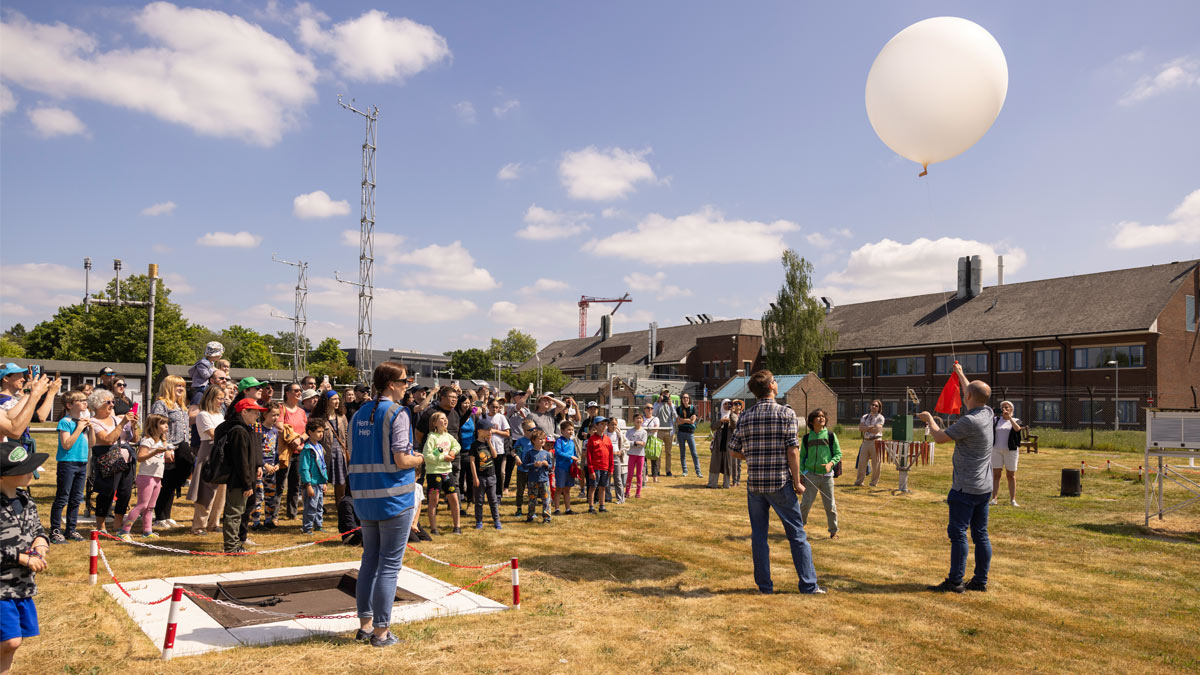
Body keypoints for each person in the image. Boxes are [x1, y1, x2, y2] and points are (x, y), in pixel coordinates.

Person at [727, 370, 824, 595]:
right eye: (775, 381)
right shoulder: (786, 414)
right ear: (771, 386)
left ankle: (764, 587)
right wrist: (798, 481)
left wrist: (750, 457)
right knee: (797, 535)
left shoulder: (746, 416)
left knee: (759, 537)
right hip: (780, 483)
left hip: (756, 486)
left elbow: (733, 450)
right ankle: (808, 585)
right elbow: (793, 450)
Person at [349, 362, 422, 648]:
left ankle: (365, 626)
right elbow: (402, 459)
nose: (408, 386)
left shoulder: (358, 414)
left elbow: (352, 455)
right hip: (394, 498)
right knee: (389, 566)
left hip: (364, 499)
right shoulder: (398, 413)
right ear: (391, 384)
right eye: (405, 382)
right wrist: (421, 459)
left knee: (369, 561)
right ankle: (381, 633)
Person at [918, 362, 994, 593]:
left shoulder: (969, 421)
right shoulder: (988, 412)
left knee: (958, 533)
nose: (963, 394)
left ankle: (955, 581)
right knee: (980, 533)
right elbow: (972, 392)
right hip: (984, 487)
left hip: (965, 489)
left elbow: (940, 437)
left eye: (965, 393)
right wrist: (961, 374)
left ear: (968, 396)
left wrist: (929, 419)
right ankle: (980, 581)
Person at [1, 440, 52, 675]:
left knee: (15, 642)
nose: (32, 472)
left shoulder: (26, 500)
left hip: (22, 586)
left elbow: (37, 530)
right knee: (10, 641)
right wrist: (20, 558)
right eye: (24, 469)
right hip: (1, 587)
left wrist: (41, 542)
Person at [216, 398, 267, 554]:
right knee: (234, 512)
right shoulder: (239, 430)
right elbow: (241, 461)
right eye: (255, 411)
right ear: (244, 412)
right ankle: (231, 546)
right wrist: (247, 484)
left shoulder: (244, 428)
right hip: (239, 479)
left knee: (238, 511)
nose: (258, 415)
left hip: (244, 478)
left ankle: (235, 544)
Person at [86, 389, 139, 534]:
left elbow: (135, 439)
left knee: (125, 493)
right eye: (108, 402)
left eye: (113, 402)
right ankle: (101, 526)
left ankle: (117, 525)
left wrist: (133, 425)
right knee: (106, 492)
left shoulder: (117, 418)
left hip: (126, 460)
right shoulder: (93, 422)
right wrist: (122, 423)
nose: (112, 405)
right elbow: (108, 440)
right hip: (108, 459)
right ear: (97, 405)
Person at [118, 414, 174, 541]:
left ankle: (147, 531)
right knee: (142, 505)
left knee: (150, 507)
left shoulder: (160, 441)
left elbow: (163, 451)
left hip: (157, 478)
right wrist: (154, 452)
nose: (166, 426)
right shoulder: (147, 440)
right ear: (154, 426)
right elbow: (140, 457)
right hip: (146, 477)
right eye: (163, 423)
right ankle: (124, 531)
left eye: (166, 424)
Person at [49, 390, 93, 543]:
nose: (84, 402)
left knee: (76, 499)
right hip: (67, 463)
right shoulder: (65, 422)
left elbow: (92, 444)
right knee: (63, 497)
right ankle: (55, 530)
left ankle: (71, 529)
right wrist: (80, 427)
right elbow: (66, 444)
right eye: (80, 400)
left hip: (82, 463)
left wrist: (91, 428)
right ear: (69, 405)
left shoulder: (83, 422)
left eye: (85, 400)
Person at [151, 376, 192, 529]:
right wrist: (165, 447)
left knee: (174, 482)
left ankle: (167, 516)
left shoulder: (181, 406)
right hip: (169, 448)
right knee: (166, 482)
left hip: (181, 447)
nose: (181, 388)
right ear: (168, 386)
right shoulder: (161, 404)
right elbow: (157, 427)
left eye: (182, 386)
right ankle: (160, 517)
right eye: (177, 386)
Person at [188, 384, 228, 535]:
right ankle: (198, 526)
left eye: (223, 399)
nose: (222, 402)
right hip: (208, 452)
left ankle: (214, 523)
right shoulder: (203, 415)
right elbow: (213, 434)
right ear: (211, 398)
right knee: (205, 491)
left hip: (221, 453)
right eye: (219, 398)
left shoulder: (219, 415)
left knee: (220, 491)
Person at [799, 409, 841, 540]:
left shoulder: (830, 436)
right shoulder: (806, 438)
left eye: (823, 416)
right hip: (810, 475)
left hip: (827, 477)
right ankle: (798, 530)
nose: (821, 418)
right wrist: (801, 474)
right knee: (805, 505)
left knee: (830, 506)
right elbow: (802, 457)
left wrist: (831, 464)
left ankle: (833, 532)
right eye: (818, 417)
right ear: (811, 421)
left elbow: (838, 454)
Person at [0, 365, 60, 447]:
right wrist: (30, 392)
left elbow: (40, 416)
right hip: (10, 450)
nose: (23, 379)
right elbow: (11, 419)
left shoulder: (18, 398)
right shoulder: (2, 399)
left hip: (21, 448)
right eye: (19, 376)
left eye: (23, 376)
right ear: (6, 379)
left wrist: (51, 393)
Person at [422, 411, 461, 535]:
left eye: (446, 418)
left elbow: (457, 445)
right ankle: (433, 528)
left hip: (447, 472)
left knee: (454, 498)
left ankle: (457, 526)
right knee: (434, 500)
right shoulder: (431, 437)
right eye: (441, 419)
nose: (445, 421)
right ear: (434, 423)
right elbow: (427, 456)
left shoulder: (448, 436)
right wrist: (443, 457)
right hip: (434, 473)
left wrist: (453, 452)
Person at [313, 391, 350, 506]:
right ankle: (319, 509)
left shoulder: (342, 416)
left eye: (338, 399)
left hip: (340, 454)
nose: (337, 401)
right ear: (326, 401)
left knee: (341, 484)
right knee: (320, 483)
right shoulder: (319, 418)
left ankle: (341, 509)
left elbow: (346, 434)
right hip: (323, 454)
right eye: (334, 399)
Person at [251, 401, 283, 530]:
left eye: (277, 415)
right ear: (265, 414)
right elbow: (255, 449)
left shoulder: (275, 431)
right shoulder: (258, 428)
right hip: (260, 467)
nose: (275, 418)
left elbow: (276, 450)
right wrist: (263, 464)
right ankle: (256, 521)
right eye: (273, 415)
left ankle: (269, 519)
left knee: (271, 495)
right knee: (259, 495)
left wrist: (277, 464)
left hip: (271, 468)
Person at [279, 383, 308, 520]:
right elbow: (279, 428)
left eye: (300, 391)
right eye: (296, 390)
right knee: (279, 484)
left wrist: (300, 440)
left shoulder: (301, 411)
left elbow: (307, 430)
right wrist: (293, 442)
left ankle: (292, 513)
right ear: (287, 393)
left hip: (299, 451)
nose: (299, 393)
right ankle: (273, 514)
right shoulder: (281, 408)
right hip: (285, 452)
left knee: (295, 484)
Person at [469, 417, 501, 529]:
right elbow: (472, 462)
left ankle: (496, 520)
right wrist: (475, 477)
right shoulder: (474, 445)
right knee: (479, 501)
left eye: (490, 429)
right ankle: (479, 521)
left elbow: (495, 455)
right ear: (479, 431)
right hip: (480, 477)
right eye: (487, 430)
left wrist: (489, 442)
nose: (490, 432)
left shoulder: (488, 443)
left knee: (493, 500)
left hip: (491, 476)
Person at [991, 401, 1023, 507]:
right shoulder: (995, 420)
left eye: (1007, 407)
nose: (1005, 409)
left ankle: (1013, 499)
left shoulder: (1016, 420)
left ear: (1011, 409)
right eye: (1002, 407)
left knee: (1011, 475)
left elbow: (1018, 429)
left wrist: (1009, 418)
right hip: (996, 450)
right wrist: (991, 412)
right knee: (996, 475)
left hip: (1011, 451)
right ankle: (994, 498)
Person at [299, 417, 329, 534]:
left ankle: (318, 525)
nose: (321, 434)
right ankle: (307, 527)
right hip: (311, 483)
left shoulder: (320, 447)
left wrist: (325, 481)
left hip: (320, 482)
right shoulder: (307, 449)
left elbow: (323, 465)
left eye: (322, 431)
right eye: (318, 431)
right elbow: (304, 468)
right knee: (311, 506)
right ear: (310, 432)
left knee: (319, 506)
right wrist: (308, 484)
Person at [523, 429, 552, 523]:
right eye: (540, 439)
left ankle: (547, 517)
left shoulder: (547, 454)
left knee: (546, 500)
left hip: (544, 480)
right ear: (533, 441)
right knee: (532, 499)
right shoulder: (530, 453)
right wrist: (533, 465)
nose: (542, 441)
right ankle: (530, 516)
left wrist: (547, 465)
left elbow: (551, 466)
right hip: (532, 480)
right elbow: (524, 465)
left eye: (543, 439)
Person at [855, 400, 886, 487]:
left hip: (876, 441)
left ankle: (873, 482)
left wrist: (866, 428)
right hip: (866, 441)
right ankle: (859, 481)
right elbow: (860, 428)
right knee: (862, 462)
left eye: (876, 406)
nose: (874, 407)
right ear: (870, 406)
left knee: (876, 463)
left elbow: (877, 430)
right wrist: (870, 427)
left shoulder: (880, 418)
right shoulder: (865, 416)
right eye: (873, 405)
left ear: (879, 408)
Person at [586, 418, 612, 514]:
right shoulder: (591, 439)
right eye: (601, 424)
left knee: (603, 487)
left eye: (605, 424)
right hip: (595, 467)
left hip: (605, 467)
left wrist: (611, 467)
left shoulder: (607, 439)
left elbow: (610, 454)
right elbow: (588, 456)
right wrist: (591, 470)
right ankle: (591, 506)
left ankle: (602, 505)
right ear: (596, 426)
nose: (604, 426)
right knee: (593, 487)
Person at [553, 420, 578, 514]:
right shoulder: (559, 441)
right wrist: (570, 456)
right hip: (561, 468)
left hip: (570, 468)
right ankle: (557, 509)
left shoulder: (571, 442)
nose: (571, 431)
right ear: (562, 431)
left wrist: (576, 459)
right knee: (559, 488)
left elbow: (574, 453)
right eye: (568, 430)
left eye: (572, 429)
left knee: (567, 489)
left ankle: (568, 509)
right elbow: (558, 453)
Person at [511, 419, 535, 517]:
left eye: (535, 428)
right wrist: (516, 457)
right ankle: (519, 509)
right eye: (532, 429)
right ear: (525, 431)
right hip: (522, 470)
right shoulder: (520, 441)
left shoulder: (535, 440)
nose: (534, 431)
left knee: (532, 491)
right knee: (520, 491)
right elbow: (512, 451)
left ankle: (532, 510)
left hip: (533, 470)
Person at [708, 399, 734, 489]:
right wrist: (721, 421)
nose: (727, 406)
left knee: (727, 463)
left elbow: (736, 427)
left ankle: (726, 484)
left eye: (728, 404)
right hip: (718, 442)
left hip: (728, 442)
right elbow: (712, 427)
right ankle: (712, 484)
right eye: (725, 404)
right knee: (715, 462)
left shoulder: (732, 415)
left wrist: (730, 420)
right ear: (722, 405)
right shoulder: (718, 415)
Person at [675, 393, 702, 478]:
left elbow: (692, 421)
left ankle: (698, 471)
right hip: (681, 433)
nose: (685, 399)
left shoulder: (693, 408)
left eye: (687, 397)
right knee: (682, 453)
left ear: (689, 399)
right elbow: (678, 422)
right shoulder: (678, 409)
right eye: (683, 397)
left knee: (694, 453)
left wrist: (683, 420)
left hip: (690, 433)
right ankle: (685, 471)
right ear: (681, 399)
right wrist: (687, 420)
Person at [652, 390, 677, 476]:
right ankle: (657, 470)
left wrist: (671, 406)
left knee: (668, 452)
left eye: (667, 394)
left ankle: (668, 470)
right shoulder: (656, 404)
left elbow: (675, 416)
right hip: (659, 430)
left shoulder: (672, 404)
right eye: (664, 394)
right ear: (660, 395)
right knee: (658, 452)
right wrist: (659, 403)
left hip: (669, 431)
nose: (665, 395)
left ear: (669, 395)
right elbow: (653, 413)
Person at [625, 414, 648, 498]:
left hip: (640, 455)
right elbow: (626, 442)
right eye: (637, 419)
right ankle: (627, 491)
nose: (639, 420)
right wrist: (635, 443)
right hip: (632, 455)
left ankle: (638, 492)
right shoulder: (630, 431)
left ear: (642, 420)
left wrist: (635, 442)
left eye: (640, 418)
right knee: (630, 474)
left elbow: (643, 444)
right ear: (633, 420)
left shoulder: (644, 432)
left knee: (639, 474)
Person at [607, 418, 628, 504]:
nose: (614, 426)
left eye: (615, 424)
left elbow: (626, 444)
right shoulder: (605, 434)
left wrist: (621, 451)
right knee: (607, 478)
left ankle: (620, 498)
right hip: (606, 456)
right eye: (612, 424)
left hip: (616, 456)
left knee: (617, 478)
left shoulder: (619, 434)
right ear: (608, 425)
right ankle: (607, 497)